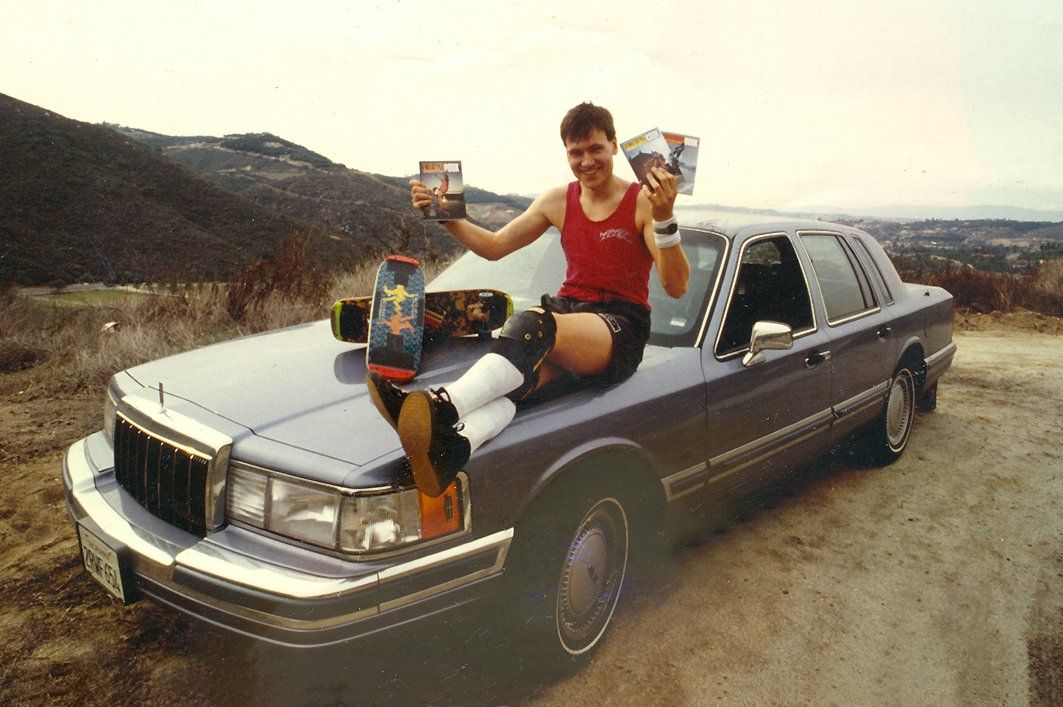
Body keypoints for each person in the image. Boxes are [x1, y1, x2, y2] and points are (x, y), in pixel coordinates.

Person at [367, 102, 690, 497]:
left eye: (595, 149)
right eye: (576, 152)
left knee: (535, 322)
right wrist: (443, 214)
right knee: (515, 384)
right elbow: (495, 246)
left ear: (613, 145)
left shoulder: (643, 201)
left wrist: (665, 217)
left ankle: (440, 407)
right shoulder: (557, 200)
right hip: (567, 316)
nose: (587, 161)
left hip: (618, 327)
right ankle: (453, 449)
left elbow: (676, 286)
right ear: (566, 154)